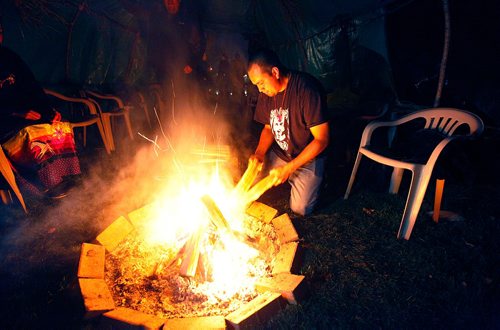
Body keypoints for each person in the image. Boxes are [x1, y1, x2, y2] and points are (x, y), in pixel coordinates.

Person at [247, 48, 330, 216]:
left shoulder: (306, 90)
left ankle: (318, 179)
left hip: (307, 158)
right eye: (256, 86)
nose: (259, 90)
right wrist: (259, 153)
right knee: (251, 182)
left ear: (275, 72)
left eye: (261, 83)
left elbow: (322, 140)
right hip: (281, 155)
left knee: (300, 209)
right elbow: (268, 128)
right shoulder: (267, 94)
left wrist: (289, 169)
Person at [0, 44, 81, 199]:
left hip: (22, 115)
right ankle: (41, 185)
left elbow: (32, 87)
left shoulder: (10, 58)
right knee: (31, 135)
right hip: (5, 121)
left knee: (58, 126)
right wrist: (16, 112)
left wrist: (48, 111)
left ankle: (65, 177)